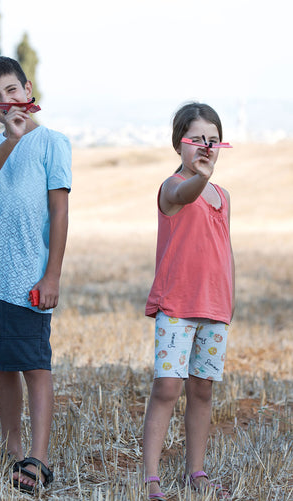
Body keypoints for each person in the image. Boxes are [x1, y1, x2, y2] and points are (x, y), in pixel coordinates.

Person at [0, 56, 71, 494]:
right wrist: (10, 137)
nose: (5, 100)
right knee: (1, 367)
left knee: (35, 367)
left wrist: (52, 275)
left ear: (28, 90)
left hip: (28, 276)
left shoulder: (53, 143)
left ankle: (38, 458)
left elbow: (59, 210)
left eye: (12, 91)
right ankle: (12, 452)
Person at [142, 102, 234, 500]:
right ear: (178, 142)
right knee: (167, 388)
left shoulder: (223, 195)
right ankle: (150, 476)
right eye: (197, 138)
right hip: (177, 307)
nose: (205, 146)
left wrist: (229, 299)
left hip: (214, 309)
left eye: (213, 140)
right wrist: (200, 176)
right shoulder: (173, 187)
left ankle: (196, 471)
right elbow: (186, 191)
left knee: (202, 391)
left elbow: (224, 251)